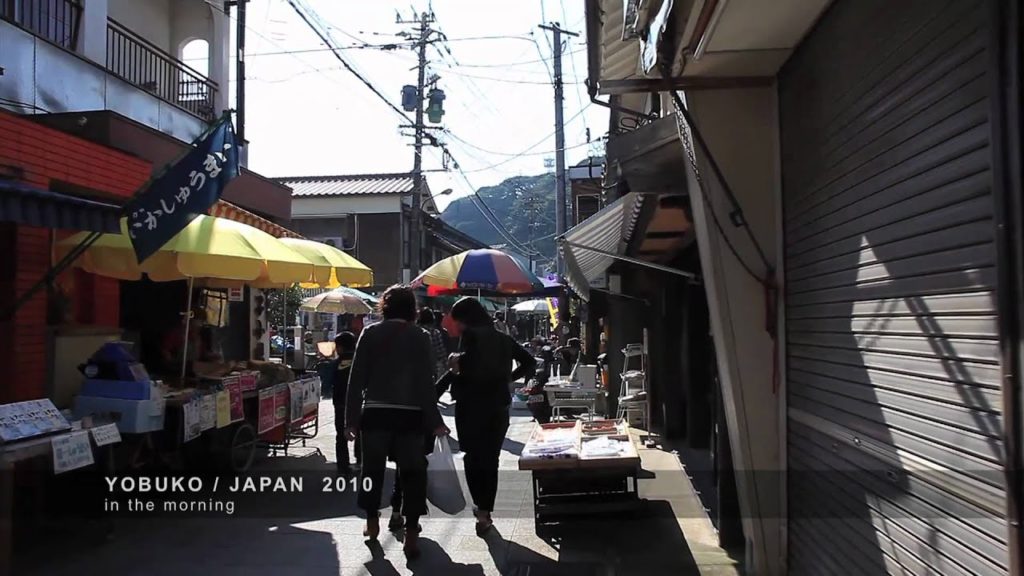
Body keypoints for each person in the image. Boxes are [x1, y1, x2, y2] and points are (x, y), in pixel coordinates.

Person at [345, 285, 448, 559]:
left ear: (385, 307)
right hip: (410, 415)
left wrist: (351, 420)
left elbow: (356, 380)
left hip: (376, 412)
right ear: (412, 309)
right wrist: (435, 420)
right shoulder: (420, 336)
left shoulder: (369, 333)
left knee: (372, 470)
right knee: (413, 473)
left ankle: (371, 521)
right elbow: (426, 383)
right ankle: (411, 534)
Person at [437, 297, 537, 535]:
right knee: (490, 459)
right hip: (498, 405)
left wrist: (455, 364)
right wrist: (508, 379)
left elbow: (467, 367)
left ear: (465, 320)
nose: (457, 326)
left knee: (472, 457)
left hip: (471, 406)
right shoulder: (503, 339)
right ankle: (485, 512)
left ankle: (481, 508)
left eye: (458, 321)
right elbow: (529, 362)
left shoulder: (470, 337)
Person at [332, 332, 360, 477]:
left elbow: (327, 384)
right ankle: (360, 460)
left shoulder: (336, 363)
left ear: (340, 347)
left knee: (340, 436)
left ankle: (343, 467)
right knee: (360, 431)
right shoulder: (361, 361)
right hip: (359, 403)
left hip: (340, 404)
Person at [417, 309, 447, 381]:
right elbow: (440, 351)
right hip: (432, 367)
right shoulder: (435, 333)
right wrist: (445, 364)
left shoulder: (416, 331)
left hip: (417, 366)